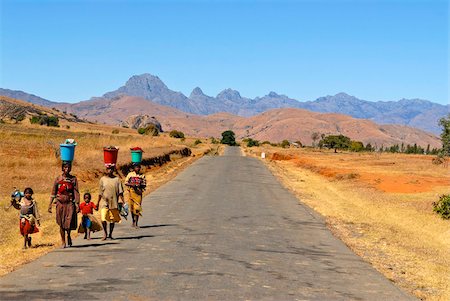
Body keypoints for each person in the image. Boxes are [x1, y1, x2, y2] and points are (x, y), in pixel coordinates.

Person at [48, 161, 80, 248]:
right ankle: (63, 241)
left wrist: (77, 204)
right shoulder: (58, 179)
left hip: (69, 203)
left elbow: (76, 192)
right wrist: (50, 205)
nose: (67, 169)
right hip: (60, 203)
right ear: (62, 168)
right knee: (61, 223)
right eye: (65, 167)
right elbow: (53, 192)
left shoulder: (73, 179)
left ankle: (68, 235)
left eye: (69, 168)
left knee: (68, 222)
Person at [97, 164, 124, 240]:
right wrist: (97, 202)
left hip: (114, 202)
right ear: (106, 170)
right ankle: (105, 233)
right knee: (103, 218)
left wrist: (124, 202)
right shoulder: (102, 179)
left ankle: (110, 234)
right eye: (108, 169)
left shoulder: (117, 179)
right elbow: (100, 192)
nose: (110, 170)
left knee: (112, 220)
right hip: (104, 201)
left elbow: (120, 192)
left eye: (111, 169)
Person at [125, 163, 147, 228]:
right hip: (131, 193)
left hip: (138, 194)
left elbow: (144, 184)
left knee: (137, 208)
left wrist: (139, 185)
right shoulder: (130, 175)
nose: (137, 168)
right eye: (136, 167)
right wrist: (132, 185)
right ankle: (133, 221)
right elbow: (126, 182)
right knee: (132, 208)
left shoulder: (142, 175)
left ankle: (136, 223)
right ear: (134, 168)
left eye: (138, 167)